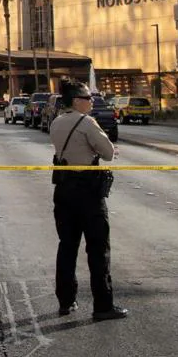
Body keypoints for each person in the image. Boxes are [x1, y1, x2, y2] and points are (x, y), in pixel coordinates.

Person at [50, 78, 128, 321]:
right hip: (88, 192)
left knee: (67, 246)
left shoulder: (57, 122)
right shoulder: (87, 122)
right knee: (98, 249)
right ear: (76, 101)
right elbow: (107, 153)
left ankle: (66, 300)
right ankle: (103, 306)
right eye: (87, 98)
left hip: (63, 189)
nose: (91, 101)